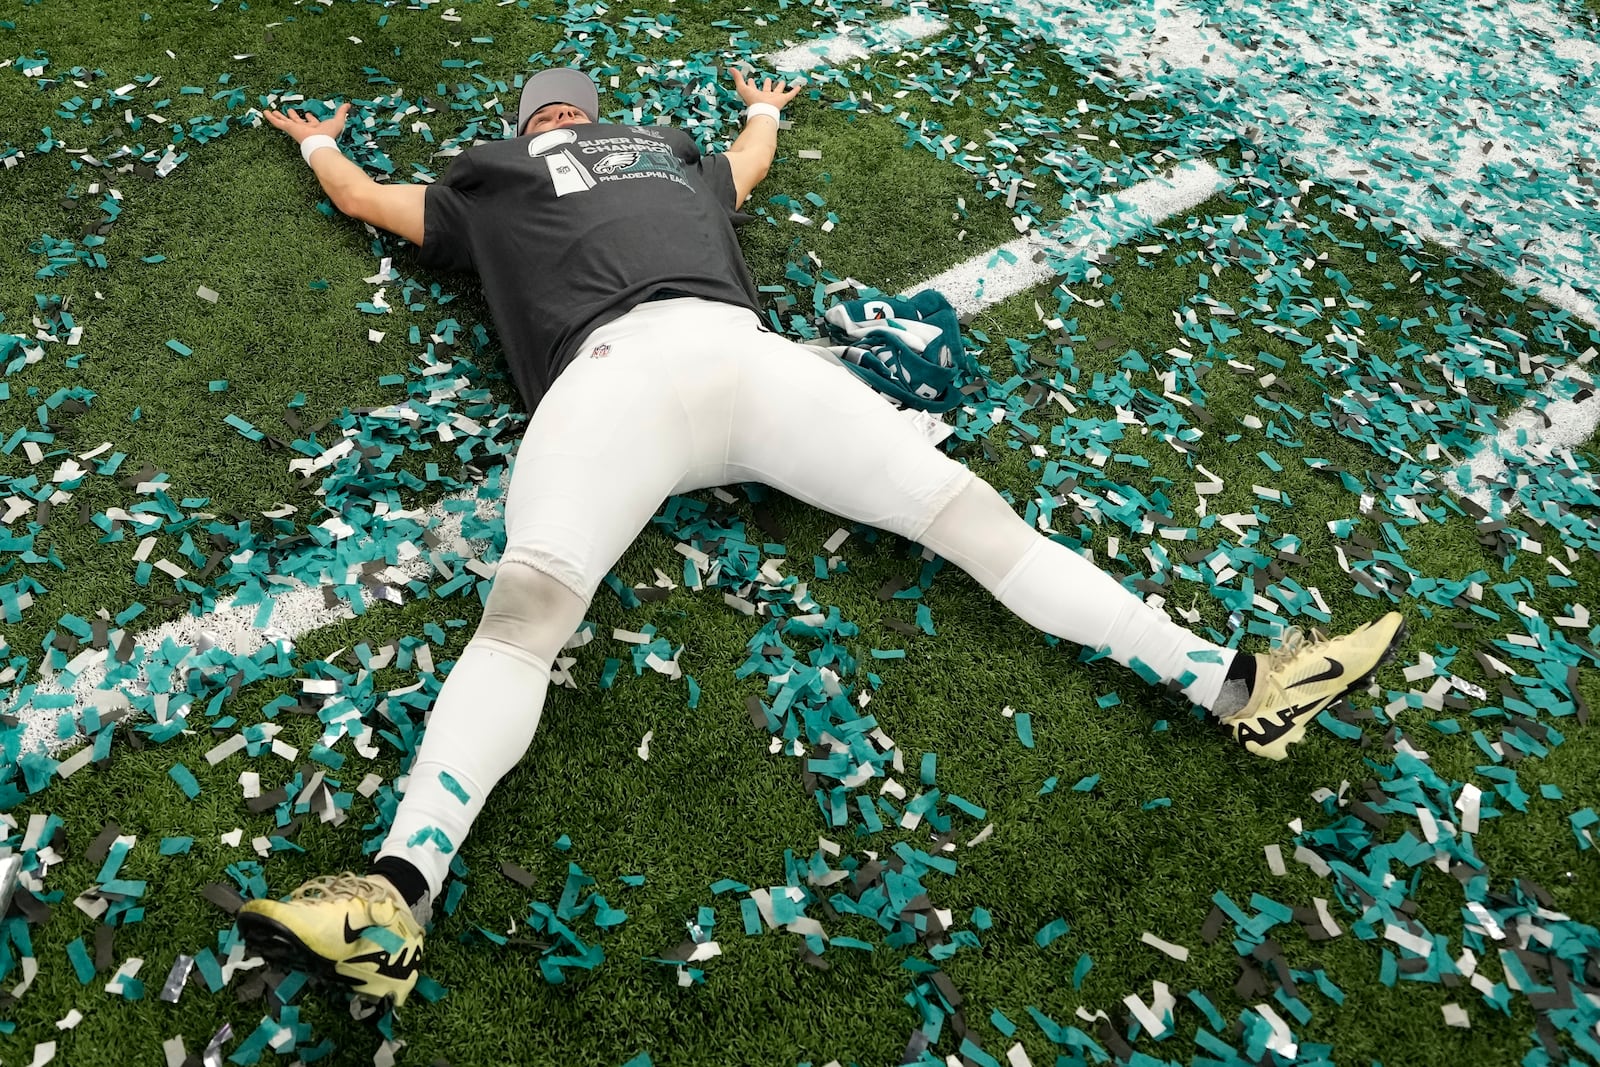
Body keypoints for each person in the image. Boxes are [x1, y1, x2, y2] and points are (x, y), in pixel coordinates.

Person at [239, 67, 1406, 1007]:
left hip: (663, 371)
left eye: (559, 105)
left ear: (553, 120)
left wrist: (320, 145)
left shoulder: (510, 168)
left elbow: (378, 202)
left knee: (956, 525)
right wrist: (751, 118)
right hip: (706, 367)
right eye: (558, 106)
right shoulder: (642, 156)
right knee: (542, 609)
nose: (558, 115)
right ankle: (1234, 684)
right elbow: (726, 174)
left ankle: (398, 890)